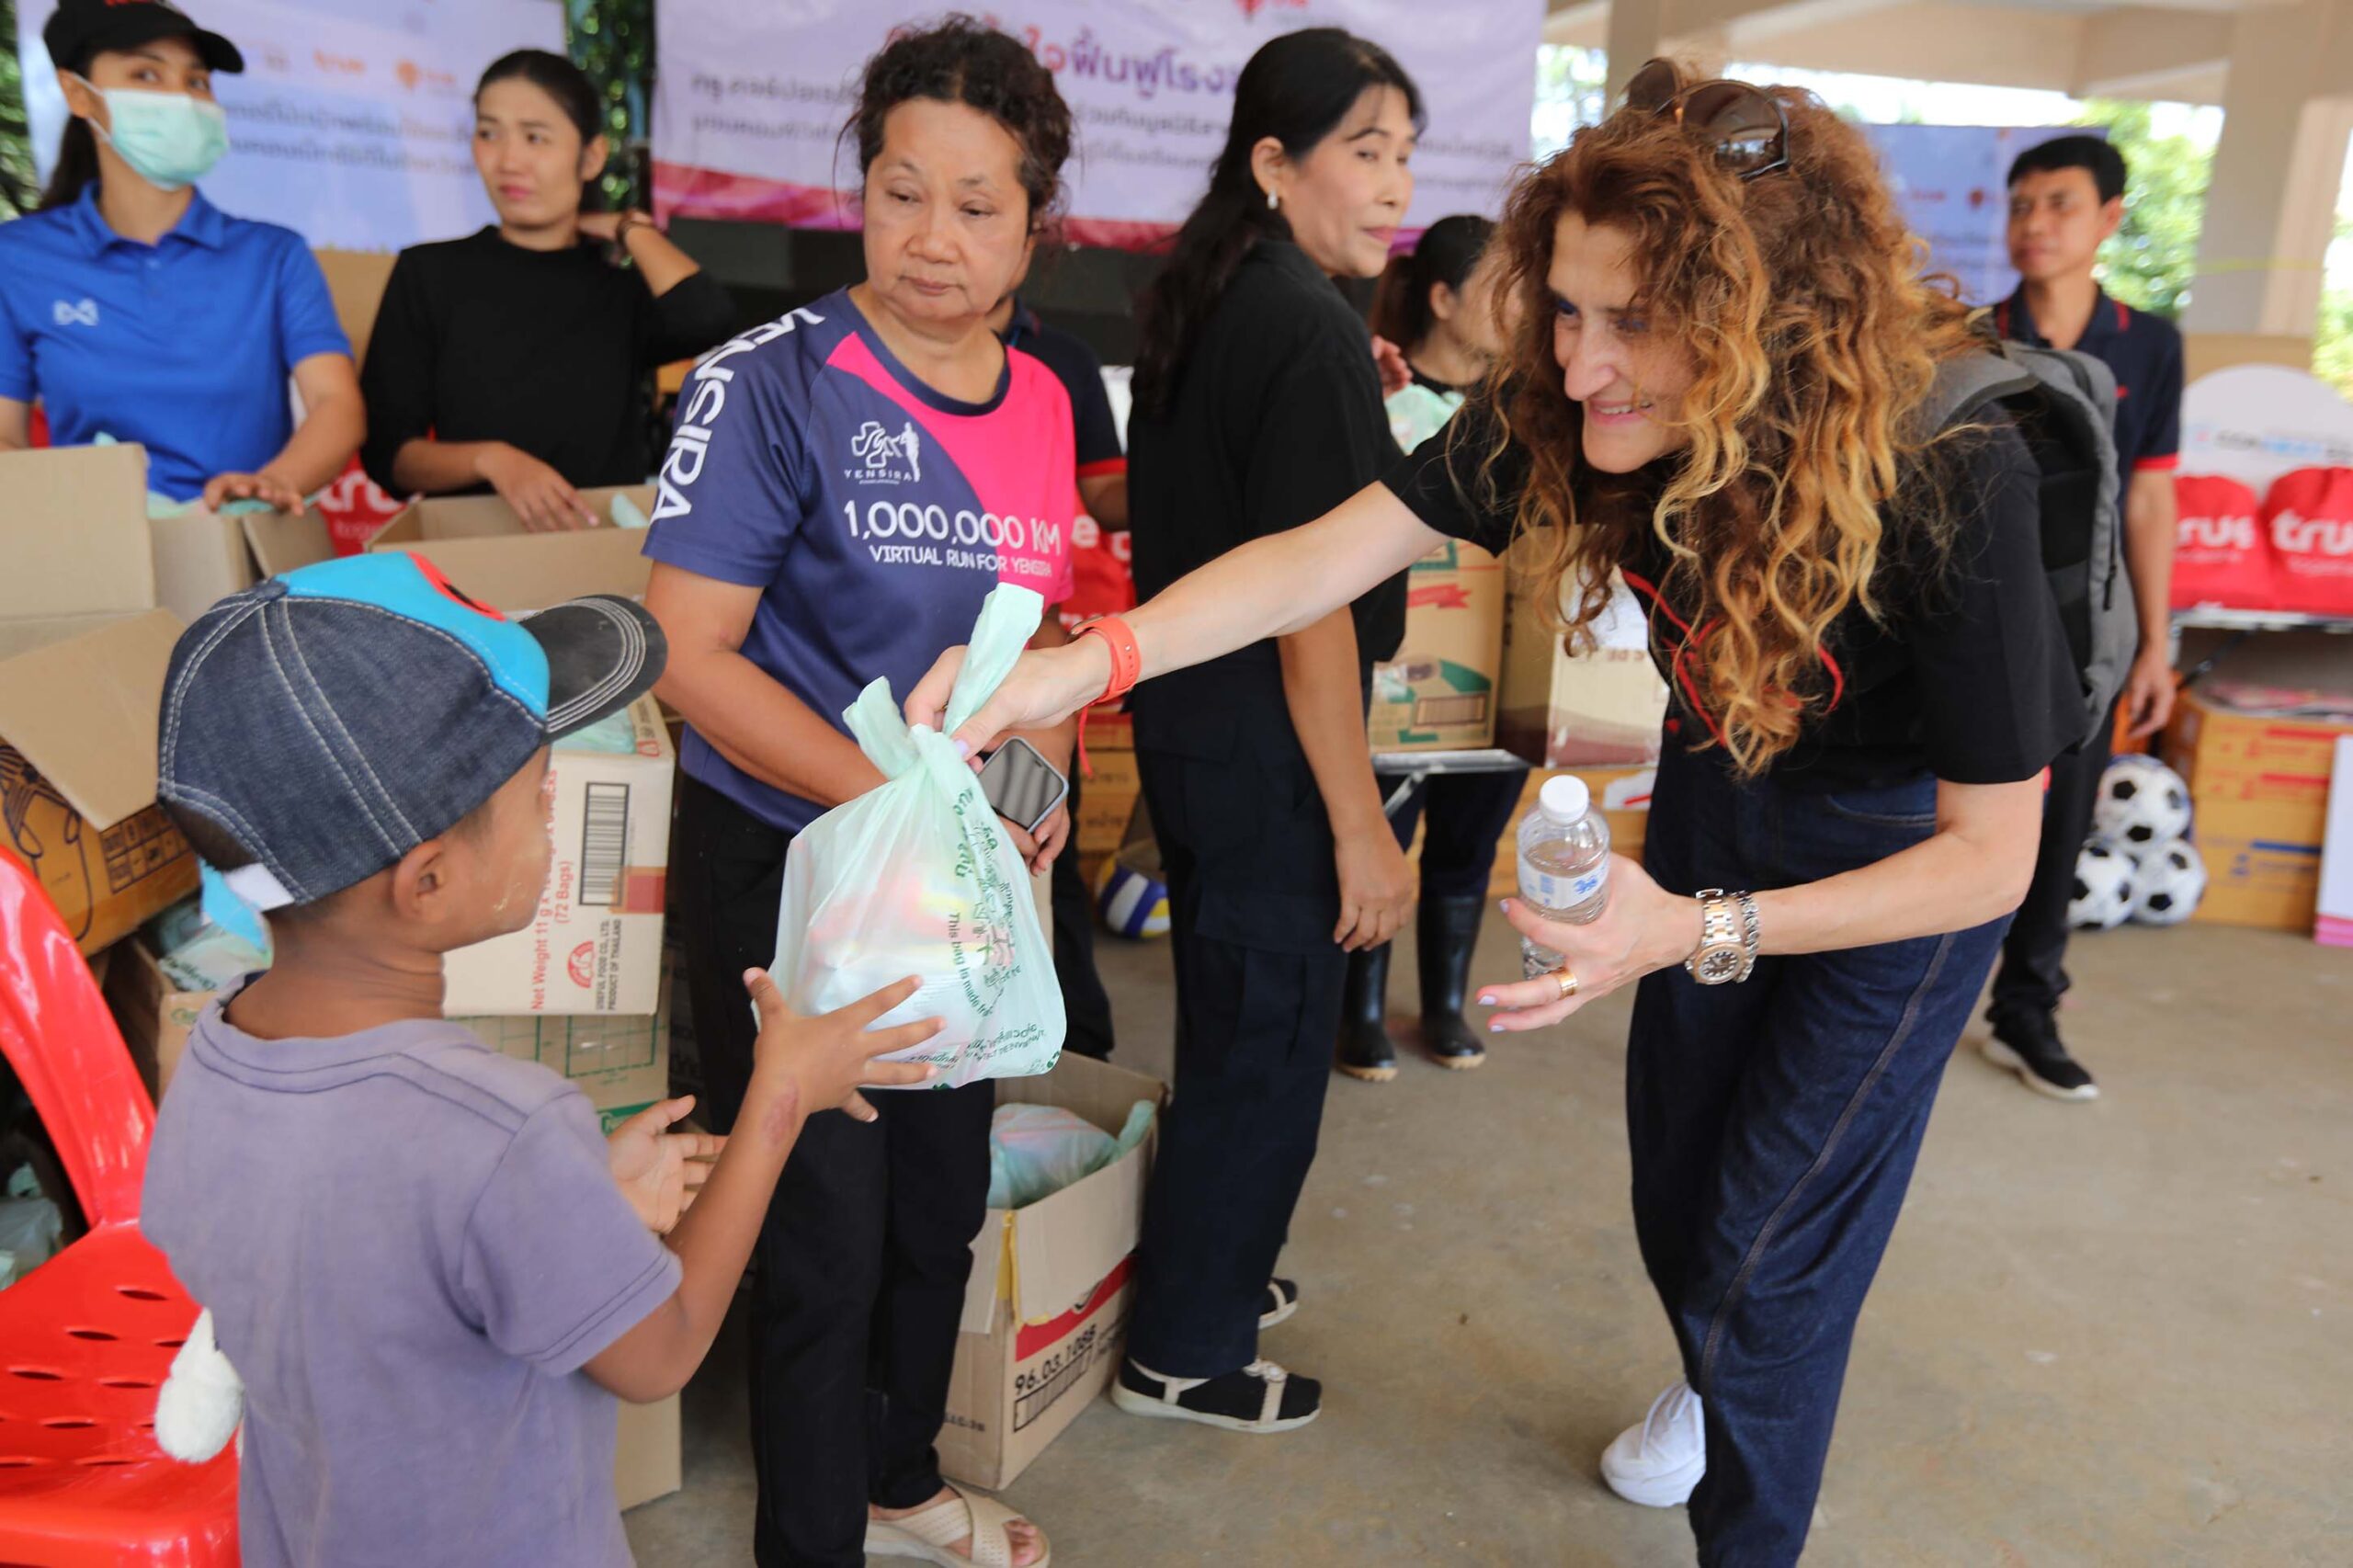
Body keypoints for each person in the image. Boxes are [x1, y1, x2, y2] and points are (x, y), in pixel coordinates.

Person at [910, 60, 2081, 1565]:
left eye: (1634, 323)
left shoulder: (1953, 469)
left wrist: (1695, 927)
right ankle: (1724, 1376)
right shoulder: (1561, 406)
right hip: (1722, 786)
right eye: (1567, 313)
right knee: (1682, 1194)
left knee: (1765, 1254)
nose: (1583, 367)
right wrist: (1082, 663)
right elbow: (1321, 555)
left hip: (1898, 852)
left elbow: (1992, 858)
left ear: (1763, 319)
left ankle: (1750, 1498)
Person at [140, 551, 940, 1567]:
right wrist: (778, 1096)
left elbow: (361, 1257)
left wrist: (574, 1202)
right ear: (428, 881)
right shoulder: (502, 1128)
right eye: (538, 786)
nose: (555, 807)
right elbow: (659, 1349)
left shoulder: (213, 1055)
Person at [642, 19, 1076, 1566]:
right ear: (861, 192)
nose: (932, 237)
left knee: (937, 1202)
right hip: (792, 863)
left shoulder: (1045, 399)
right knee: (820, 1229)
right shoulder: (769, 383)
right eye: (901, 193)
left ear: (1036, 222)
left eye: (976, 203)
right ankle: (812, 1537)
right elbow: (685, 653)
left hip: (957, 880)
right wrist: (911, 805)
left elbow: (1033, 641)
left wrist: (1038, 780)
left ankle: (897, 1484)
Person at [1074, 27, 1422, 1435]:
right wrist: (1361, 827)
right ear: (1275, 161)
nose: (1395, 185)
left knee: (1234, 1024)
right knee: (1268, 1046)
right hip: (1271, 740)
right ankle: (1186, 1352)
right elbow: (1310, 613)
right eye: (1366, 150)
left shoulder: (1217, 292)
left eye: (1406, 155)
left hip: (1197, 729)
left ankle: (1209, 1268)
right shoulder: (1304, 326)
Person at [1982, 133, 2183, 1102]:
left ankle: (2026, 1007)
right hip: (1979, 615)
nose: (2034, 223)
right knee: (1942, 808)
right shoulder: (1967, 333)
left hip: (2089, 629)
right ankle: (1905, 990)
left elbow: (2150, 497)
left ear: (2108, 218)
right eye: (2021, 204)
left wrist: (2155, 644)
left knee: (2061, 819)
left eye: (2058, 203)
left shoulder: (2150, 343)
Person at [0, 0, 361, 510]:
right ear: (78, 93)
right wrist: (75, 515)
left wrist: (275, 483)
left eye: (196, 81)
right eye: (146, 74)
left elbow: (335, 403)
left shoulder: (273, 254)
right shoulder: (18, 258)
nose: (181, 99)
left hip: (246, 537)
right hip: (101, 544)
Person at [360, 50, 736, 530]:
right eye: (489, 133)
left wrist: (627, 228)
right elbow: (389, 457)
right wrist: (491, 460)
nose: (509, 160)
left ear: (591, 157)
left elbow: (708, 317)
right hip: (471, 553)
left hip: (597, 551)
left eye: (535, 137)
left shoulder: (618, 294)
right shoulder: (428, 273)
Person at [1339, 213, 1529, 1081]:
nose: (1520, 307)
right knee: (1385, 840)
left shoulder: (1530, 409)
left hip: (1500, 676)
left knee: (1470, 845)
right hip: (1400, 676)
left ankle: (1446, 1003)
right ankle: (1361, 1011)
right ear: (1445, 299)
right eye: (1501, 288)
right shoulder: (1380, 396)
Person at [986, 278, 1125, 1060]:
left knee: (1040, 851)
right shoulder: (838, 362)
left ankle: (1074, 1055)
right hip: (902, 680)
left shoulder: (1055, 369)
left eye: (979, 218)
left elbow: (1105, 495)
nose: (941, 242)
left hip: (1029, 657)